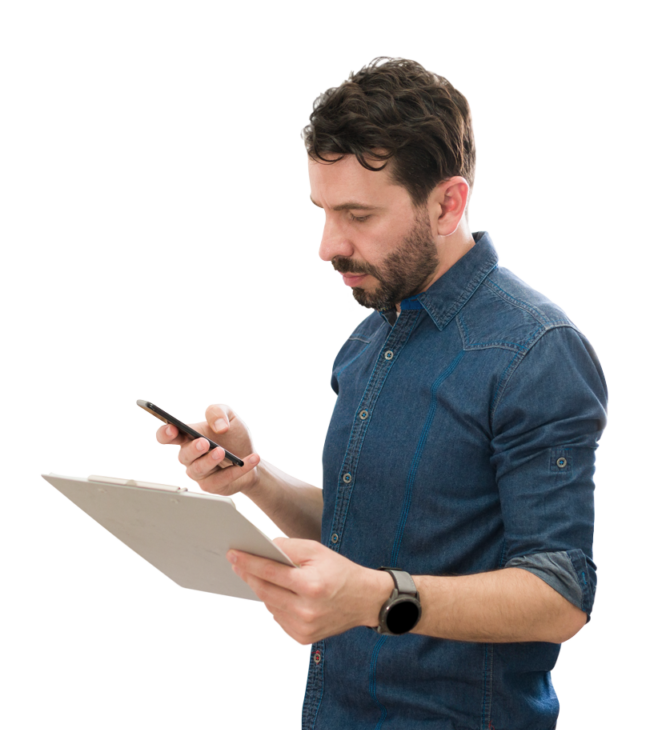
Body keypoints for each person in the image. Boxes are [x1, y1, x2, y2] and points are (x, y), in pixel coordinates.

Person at [155, 56, 608, 729]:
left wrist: (375, 598)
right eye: (324, 212)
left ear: (448, 203)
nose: (327, 245)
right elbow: (358, 532)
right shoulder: (372, 333)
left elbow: (560, 593)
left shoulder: (537, 352)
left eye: (358, 214)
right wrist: (253, 478)